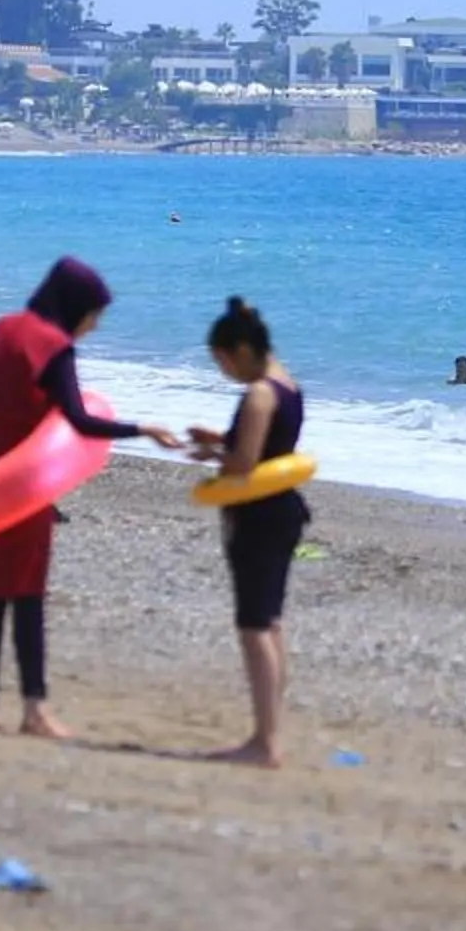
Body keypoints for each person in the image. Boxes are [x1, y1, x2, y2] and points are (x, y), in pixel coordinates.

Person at [0, 257, 180, 736]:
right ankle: (34, 711)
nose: (94, 325)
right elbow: (79, 420)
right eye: (94, 314)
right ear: (75, 306)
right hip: (24, 485)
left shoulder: (0, 330)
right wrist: (143, 429)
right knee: (26, 593)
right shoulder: (55, 348)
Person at [189, 296, 308, 769]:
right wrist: (219, 440)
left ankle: (265, 743)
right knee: (271, 622)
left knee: (254, 626)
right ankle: (269, 732)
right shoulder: (288, 385)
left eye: (222, 363)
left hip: (259, 517)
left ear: (239, 350)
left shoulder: (258, 393)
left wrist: (214, 455)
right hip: (284, 513)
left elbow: (244, 464)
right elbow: (270, 447)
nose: (225, 373)